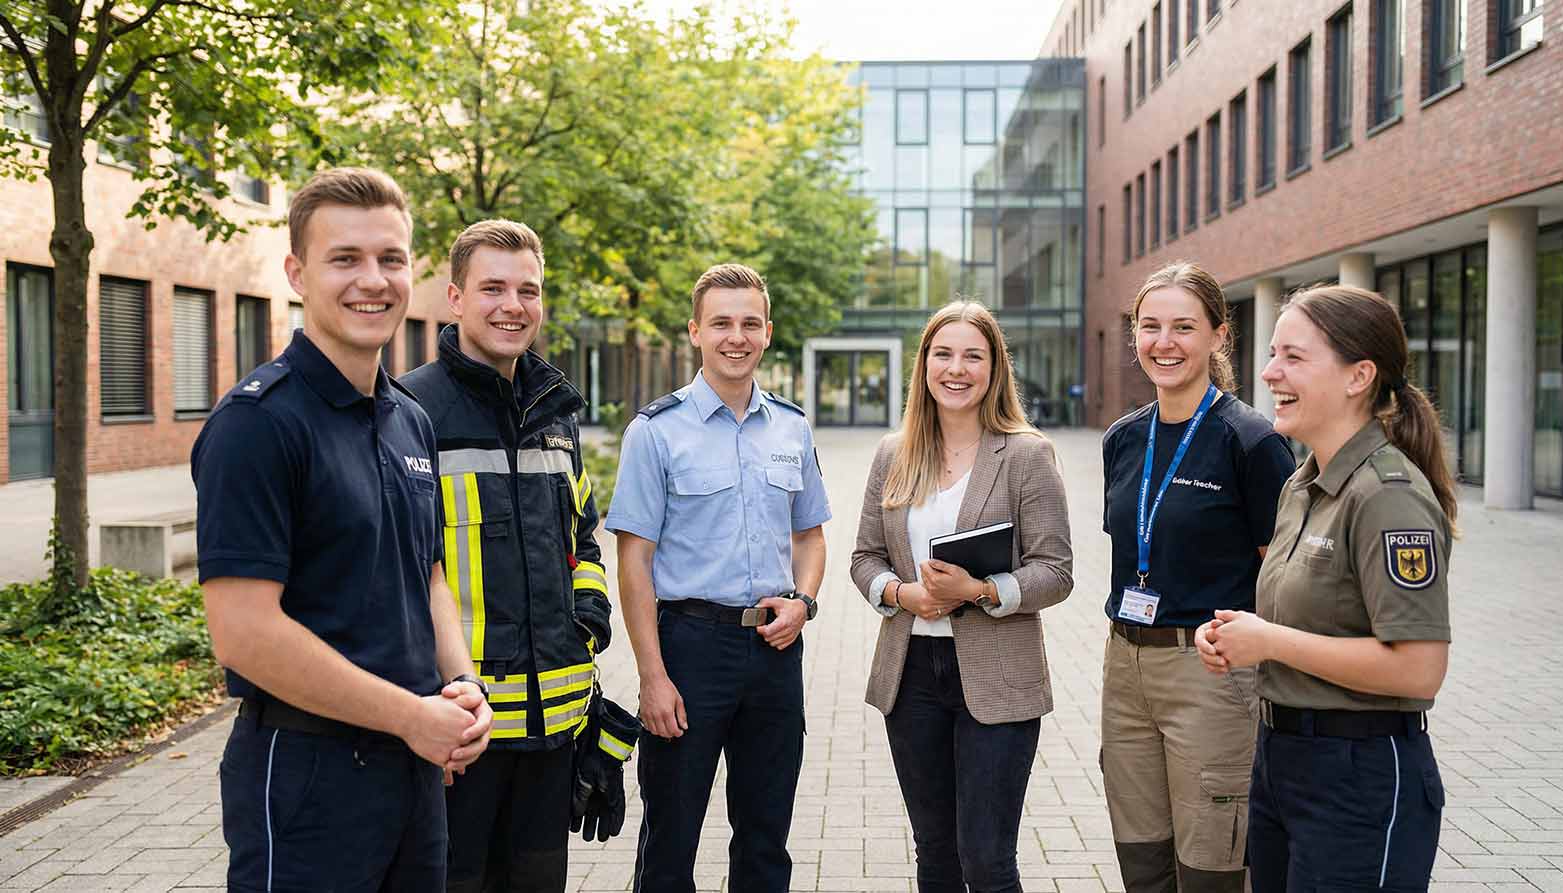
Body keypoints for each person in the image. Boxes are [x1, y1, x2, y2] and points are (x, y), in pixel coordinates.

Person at [192, 167, 492, 892]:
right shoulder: (257, 425)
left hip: (414, 772)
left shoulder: (409, 418)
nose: (373, 280)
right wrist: (411, 716)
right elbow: (243, 633)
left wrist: (461, 684)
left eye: (390, 258)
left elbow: (427, 572)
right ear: (297, 273)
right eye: (345, 259)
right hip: (307, 778)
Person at [1198, 285, 1454, 890]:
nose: (1269, 373)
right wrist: (1238, 636)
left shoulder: (1387, 495)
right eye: (1272, 354)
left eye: (1293, 357)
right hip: (1282, 759)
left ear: (1358, 376)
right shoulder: (1301, 485)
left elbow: (1419, 670)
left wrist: (1270, 643)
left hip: (1359, 776)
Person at [400, 220, 611, 893]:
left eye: (528, 290)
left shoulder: (556, 413)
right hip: (462, 729)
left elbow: (583, 536)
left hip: (555, 727)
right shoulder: (409, 410)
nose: (512, 306)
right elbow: (399, 569)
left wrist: (587, 619)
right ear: (455, 297)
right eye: (492, 288)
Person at [607, 263, 831, 893]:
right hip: (689, 650)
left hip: (775, 650)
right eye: (722, 323)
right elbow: (634, 562)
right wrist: (652, 677)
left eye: (750, 323)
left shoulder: (791, 427)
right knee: (671, 840)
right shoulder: (655, 432)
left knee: (766, 840)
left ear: (767, 333)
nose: (737, 337)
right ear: (695, 332)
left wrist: (804, 601)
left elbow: (810, 536)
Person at [851, 300, 1073, 893]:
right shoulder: (893, 453)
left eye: (973, 356)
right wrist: (901, 593)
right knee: (935, 854)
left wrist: (979, 590)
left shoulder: (1026, 455)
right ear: (924, 364)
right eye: (943, 354)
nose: (957, 369)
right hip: (912, 676)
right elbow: (864, 558)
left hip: (998, 675)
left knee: (987, 860)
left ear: (994, 368)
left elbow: (1056, 571)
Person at [1098, 263, 1296, 892]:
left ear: (1218, 335)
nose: (1164, 342)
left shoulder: (1252, 441)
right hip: (1125, 666)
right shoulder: (1123, 439)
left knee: (1213, 861)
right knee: (1142, 857)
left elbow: (1282, 580)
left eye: (1183, 327)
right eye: (1150, 326)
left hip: (1211, 672)